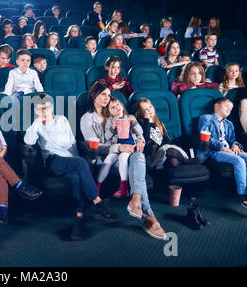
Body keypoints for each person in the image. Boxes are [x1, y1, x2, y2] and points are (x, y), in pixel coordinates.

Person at [25, 93, 119, 241]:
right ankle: (98, 203)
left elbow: (71, 142)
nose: (45, 111)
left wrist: (74, 158)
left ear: (51, 106)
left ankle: (79, 218)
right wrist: (36, 123)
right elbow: (28, 140)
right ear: (36, 110)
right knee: (81, 162)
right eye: (41, 109)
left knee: (76, 177)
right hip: (53, 161)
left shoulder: (62, 119)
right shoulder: (37, 125)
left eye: (47, 107)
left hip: (70, 160)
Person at [80, 82, 167, 240]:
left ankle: (136, 201)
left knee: (139, 156)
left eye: (108, 94)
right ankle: (150, 217)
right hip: (104, 159)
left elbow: (134, 132)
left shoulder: (115, 114)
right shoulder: (87, 118)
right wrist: (117, 147)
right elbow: (92, 145)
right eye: (103, 94)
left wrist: (140, 139)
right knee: (137, 168)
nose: (107, 98)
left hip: (126, 152)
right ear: (94, 95)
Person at [196, 98, 247, 209]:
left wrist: (235, 145)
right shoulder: (206, 118)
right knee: (239, 160)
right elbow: (205, 137)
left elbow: (233, 139)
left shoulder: (229, 124)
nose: (229, 109)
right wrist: (223, 148)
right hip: (214, 151)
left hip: (229, 150)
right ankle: (243, 195)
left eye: (231, 108)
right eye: (226, 105)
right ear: (216, 106)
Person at [134, 98, 201, 170]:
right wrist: (146, 119)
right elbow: (145, 138)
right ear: (140, 113)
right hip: (154, 154)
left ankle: (202, 147)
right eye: (145, 109)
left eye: (150, 107)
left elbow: (166, 140)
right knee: (169, 150)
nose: (149, 110)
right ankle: (185, 161)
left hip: (165, 153)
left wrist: (171, 145)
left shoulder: (159, 123)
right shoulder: (141, 124)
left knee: (174, 159)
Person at [98, 97, 144, 198]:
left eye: (118, 104)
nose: (117, 108)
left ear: (122, 105)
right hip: (117, 146)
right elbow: (106, 138)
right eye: (113, 107)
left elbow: (140, 132)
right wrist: (112, 128)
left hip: (131, 145)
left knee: (123, 157)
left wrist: (134, 124)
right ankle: (98, 185)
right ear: (109, 112)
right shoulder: (110, 121)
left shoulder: (130, 117)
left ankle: (124, 186)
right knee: (108, 160)